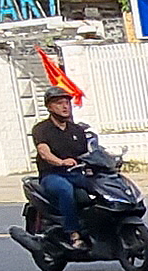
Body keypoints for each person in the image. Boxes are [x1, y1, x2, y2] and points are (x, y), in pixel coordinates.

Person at [29, 91, 99, 245]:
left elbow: (90, 152)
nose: (65, 106)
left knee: (100, 186)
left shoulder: (77, 130)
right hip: (53, 175)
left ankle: (100, 226)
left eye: (67, 102)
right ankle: (73, 233)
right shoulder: (41, 129)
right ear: (49, 107)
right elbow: (44, 152)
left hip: (75, 173)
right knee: (65, 189)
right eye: (59, 103)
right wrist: (61, 162)